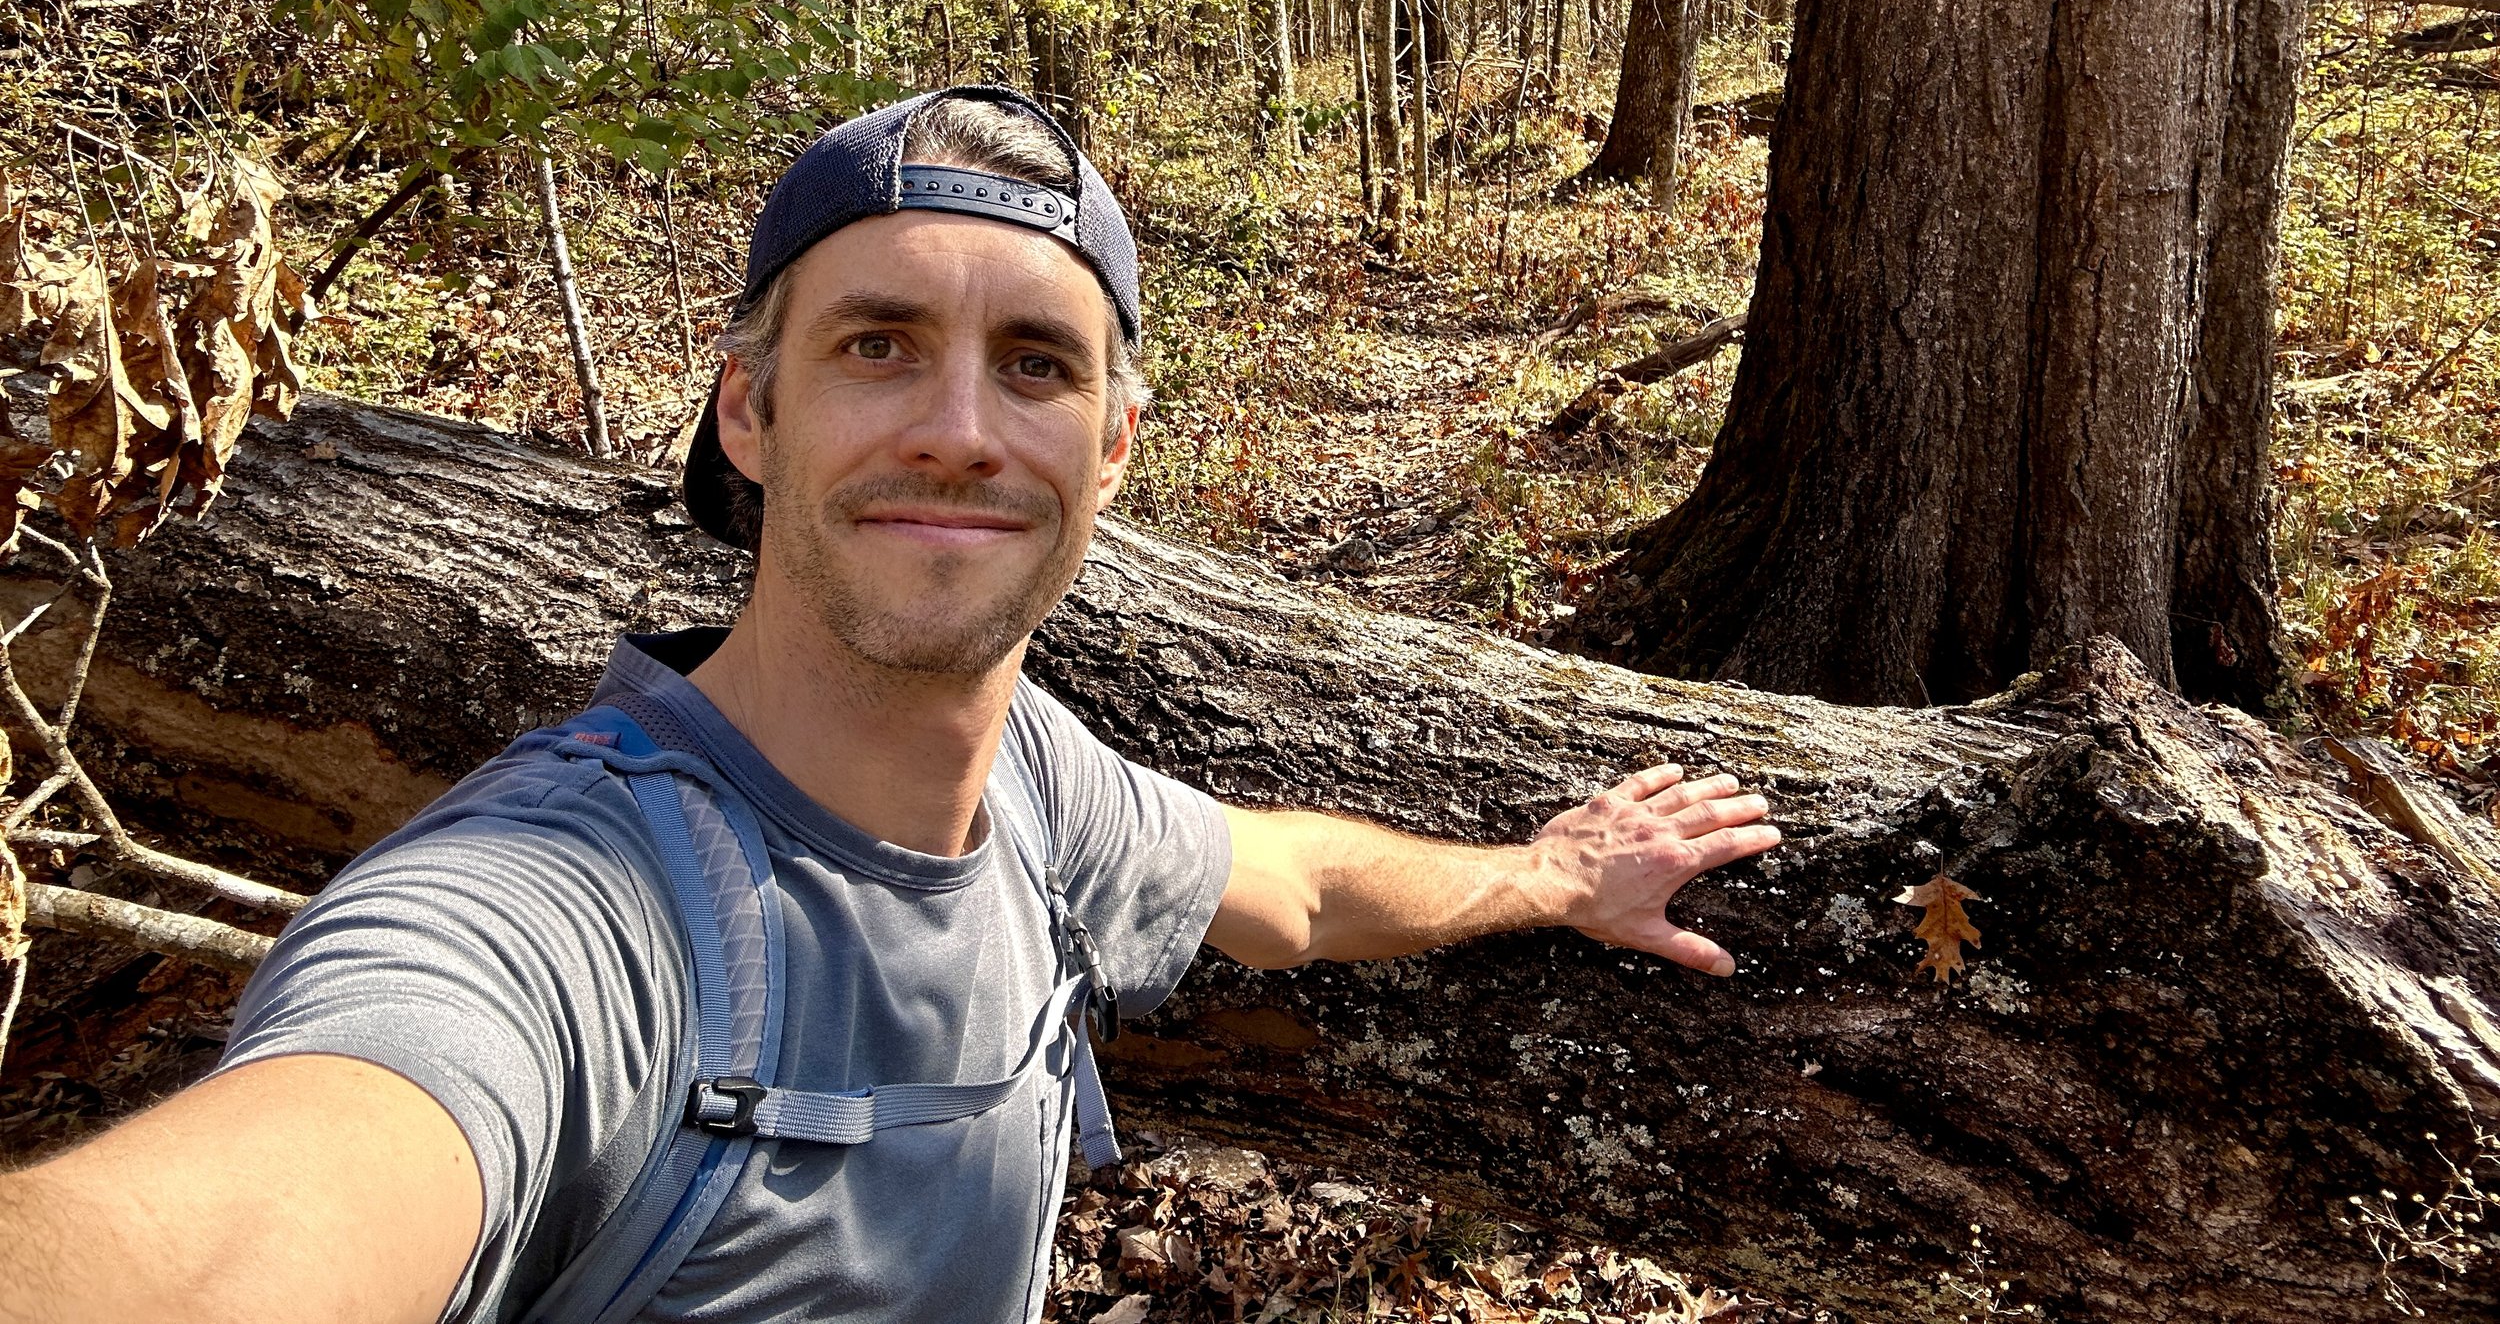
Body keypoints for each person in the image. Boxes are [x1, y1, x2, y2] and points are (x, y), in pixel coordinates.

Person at [0, 85, 1780, 1324]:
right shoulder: (562, 918)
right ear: (748, 417)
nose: (960, 426)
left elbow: (1292, 886)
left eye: (1035, 365)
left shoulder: (1034, 790)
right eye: (877, 346)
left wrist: (1547, 874)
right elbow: (245, 1231)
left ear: (1113, 449)